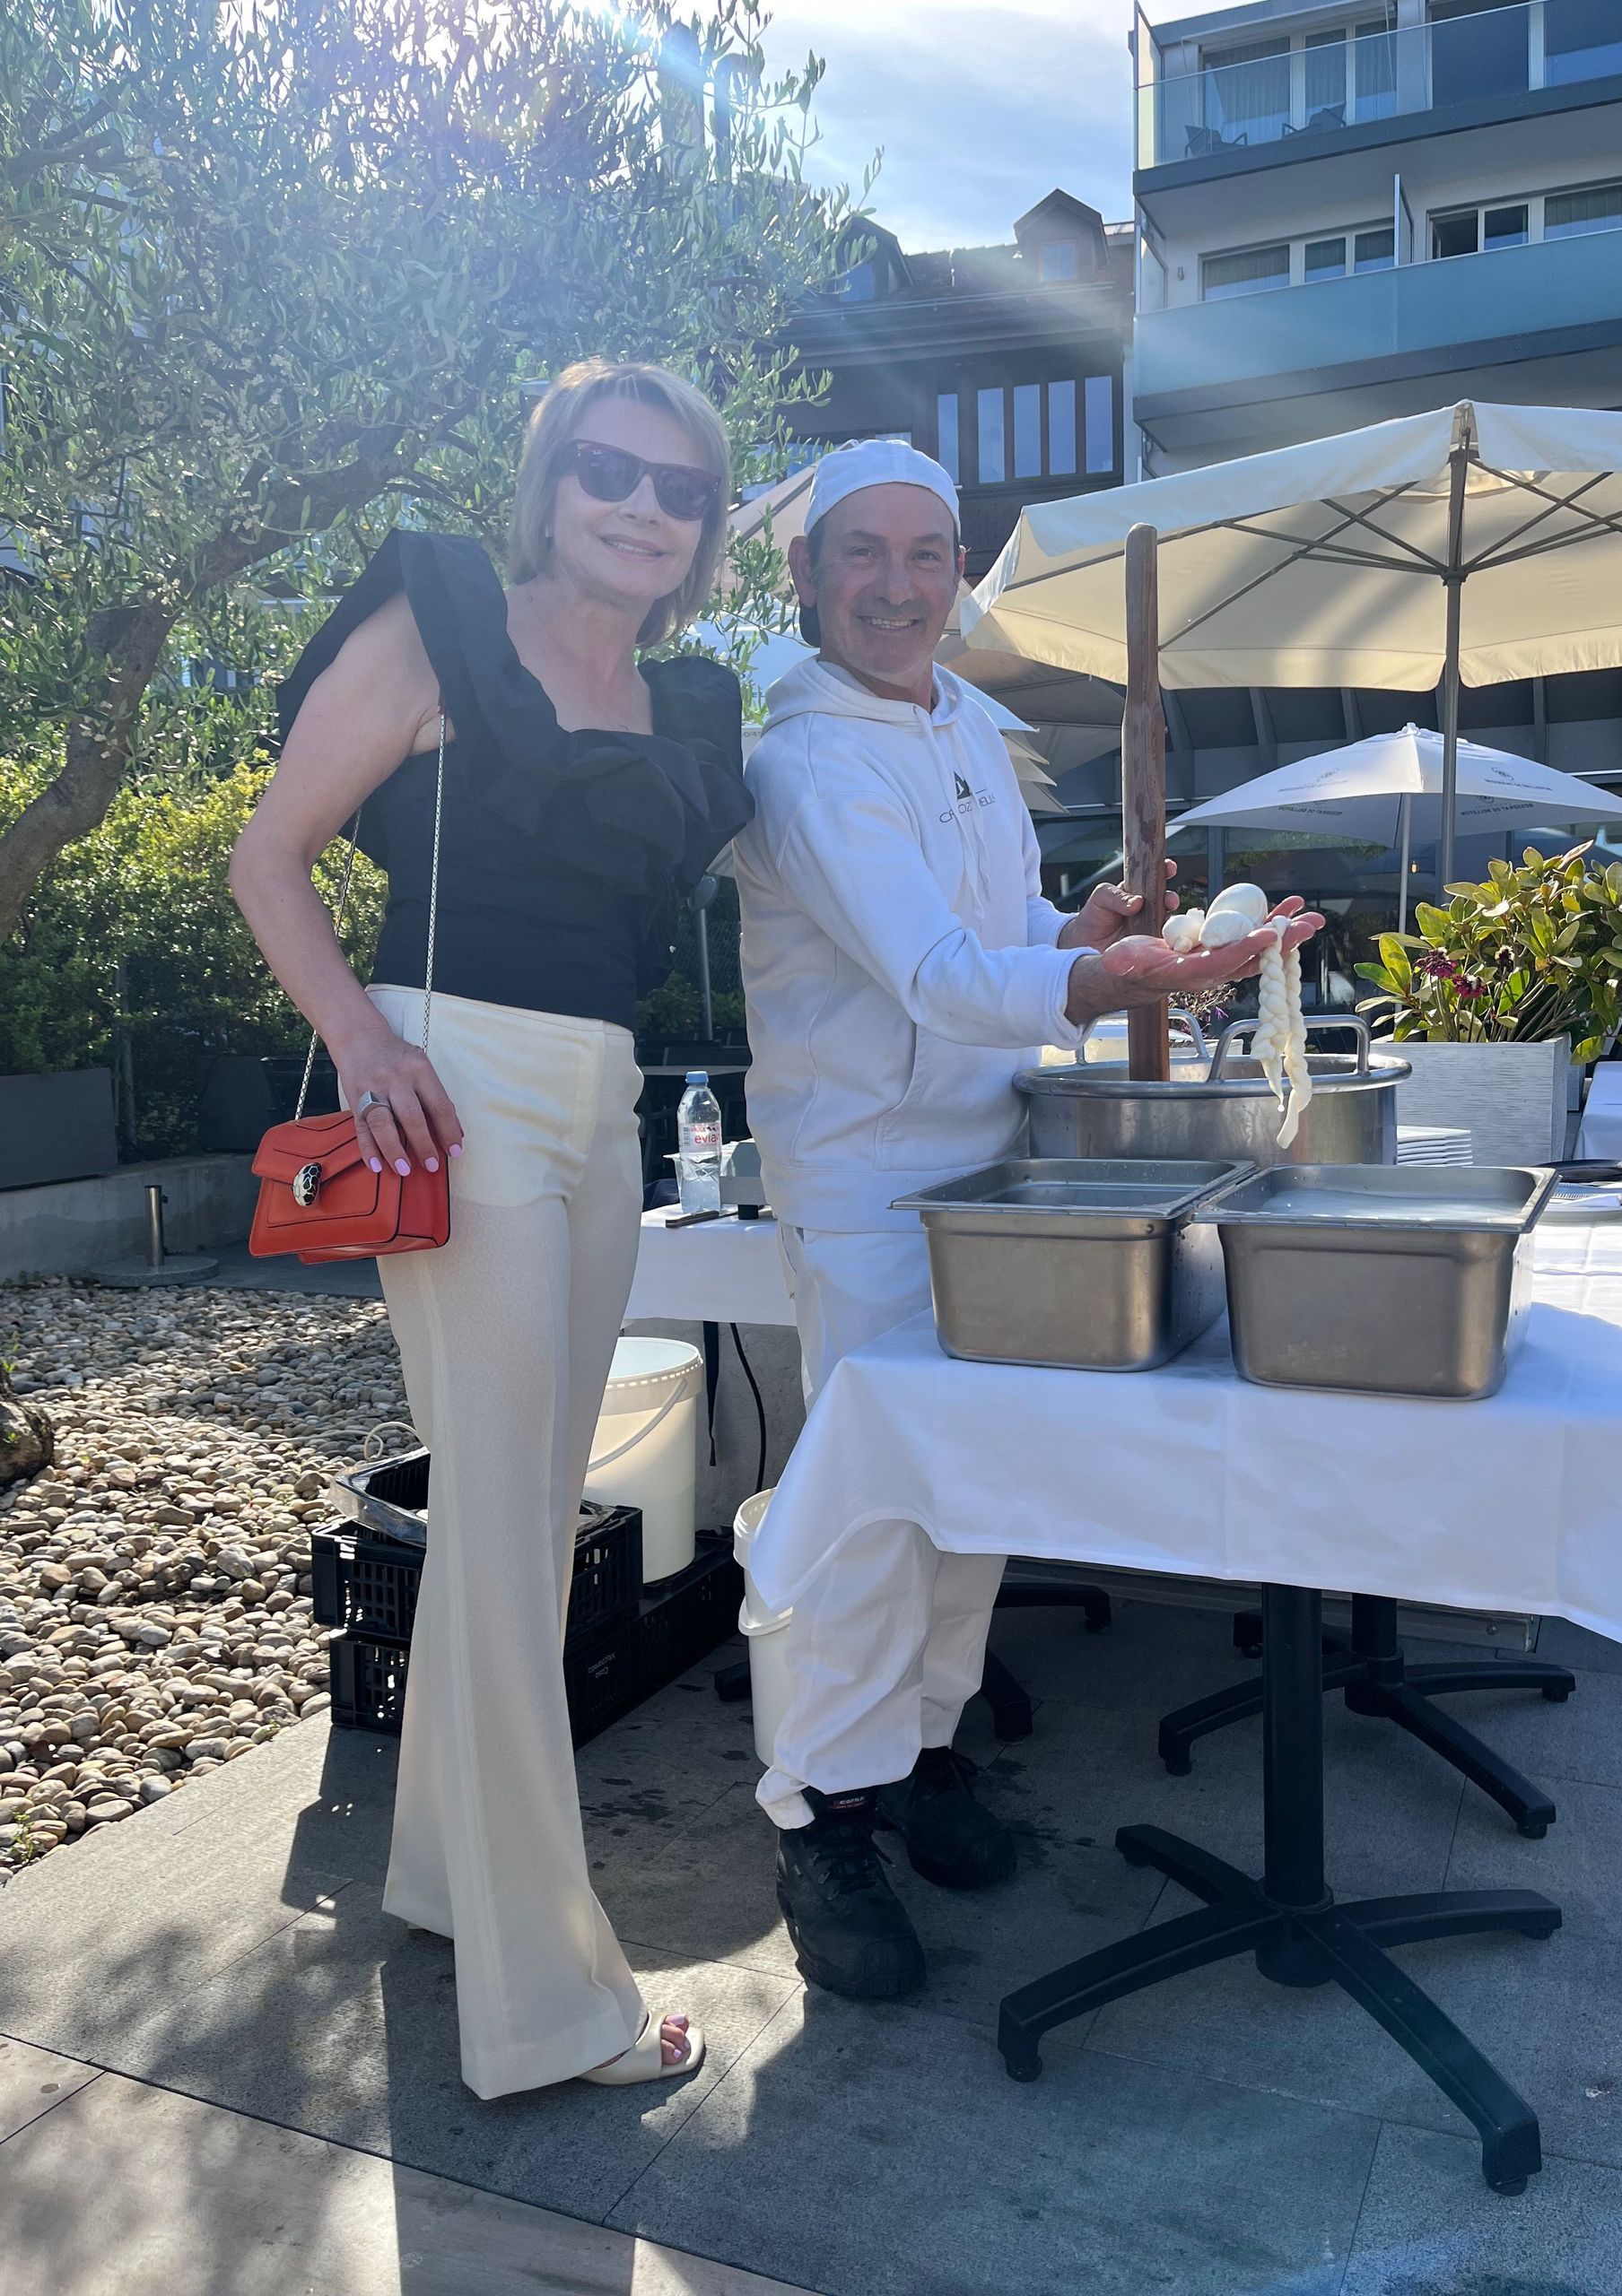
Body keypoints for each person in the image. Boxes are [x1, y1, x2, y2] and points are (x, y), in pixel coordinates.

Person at [733, 439, 1321, 2000]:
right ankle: (817, 1815)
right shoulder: (801, 761)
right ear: (804, 577)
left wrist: (1084, 933)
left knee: (967, 1495)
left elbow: (991, 946)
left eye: (928, 555)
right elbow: (927, 974)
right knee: (865, 1513)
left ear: (958, 575)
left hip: (989, 1163)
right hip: (860, 1180)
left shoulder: (971, 736)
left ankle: (919, 1758)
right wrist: (1100, 983)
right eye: (863, 553)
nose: (899, 585)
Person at [230, 360, 750, 2097]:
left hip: (600, 1113)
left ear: (704, 527)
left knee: (528, 1512)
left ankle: (450, 1872)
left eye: (678, 489)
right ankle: (552, 2007)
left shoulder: (684, 703)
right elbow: (271, 856)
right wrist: (366, 1043)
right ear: (551, 479)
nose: (641, 507)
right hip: (450, 1085)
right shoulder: (442, 618)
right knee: (512, 1511)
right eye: (611, 469)